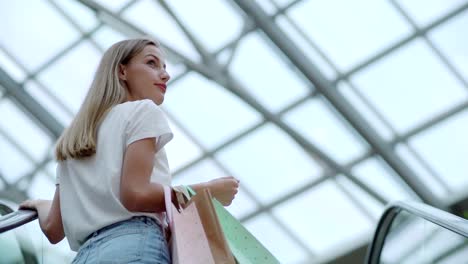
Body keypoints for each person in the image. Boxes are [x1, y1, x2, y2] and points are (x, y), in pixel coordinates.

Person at [19, 37, 240, 264]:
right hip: (134, 246)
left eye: (164, 67)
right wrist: (206, 191)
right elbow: (135, 194)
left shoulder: (75, 139)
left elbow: (54, 229)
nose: (165, 75)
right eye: (152, 63)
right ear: (122, 71)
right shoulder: (143, 112)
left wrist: (38, 204)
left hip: (85, 256)